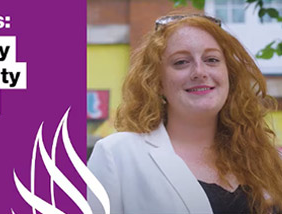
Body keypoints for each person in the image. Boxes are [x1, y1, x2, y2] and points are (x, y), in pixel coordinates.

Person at [87, 13, 282, 214]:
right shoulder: (117, 155)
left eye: (212, 59)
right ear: (157, 82)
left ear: (229, 76)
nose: (200, 71)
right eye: (181, 62)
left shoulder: (267, 161)